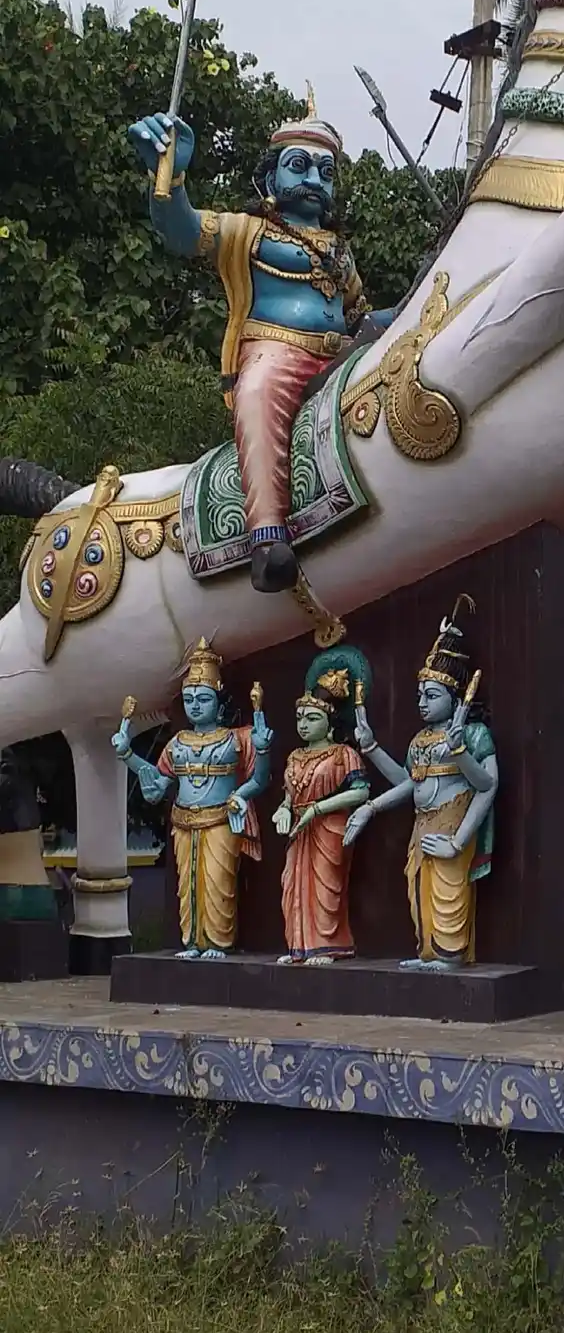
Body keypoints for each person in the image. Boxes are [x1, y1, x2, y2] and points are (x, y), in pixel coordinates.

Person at [128, 92, 384, 593]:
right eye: (299, 166)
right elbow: (182, 230)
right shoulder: (247, 232)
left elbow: (361, 314)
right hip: (275, 353)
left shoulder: (340, 251)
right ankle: (267, 535)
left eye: (326, 172)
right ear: (270, 179)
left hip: (340, 353)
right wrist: (170, 176)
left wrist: (427, 292)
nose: (314, 180)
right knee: (257, 392)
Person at [346, 601, 498, 967]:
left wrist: (458, 840)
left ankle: (450, 955)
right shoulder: (420, 740)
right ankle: (428, 951)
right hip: (423, 827)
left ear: (455, 698)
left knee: (448, 892)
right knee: (419, 892)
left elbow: (487, 785)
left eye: (432, 695)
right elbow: (409, 783)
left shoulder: (474, 734)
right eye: (420, 695)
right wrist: (371, 753)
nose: (422, 703)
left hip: (453, 828)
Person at [111, 639, 271, 957]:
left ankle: (219, 942)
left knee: (218, 882)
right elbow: (159, 781)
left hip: (221, 819)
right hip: (183, 821)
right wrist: (127, 754)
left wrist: (262, 750)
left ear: (219, 700)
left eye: (203, 698)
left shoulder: (237, 738)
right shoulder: (178, 742)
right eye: (188, 700)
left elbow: (259, 779)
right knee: (188, 884)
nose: (195, 705)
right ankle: (194, 942)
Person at [273, 647, 371, 964]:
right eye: (300, 718)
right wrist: (284, 808)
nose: (303, 725)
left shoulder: (343, 754)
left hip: (328, 828)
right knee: (292, 885)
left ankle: (327, 945)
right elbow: (290, 793)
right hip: (299, 829)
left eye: (312, 718)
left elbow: (361, 792)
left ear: (329, 724)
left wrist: (318, 809)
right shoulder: (295, 756)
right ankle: (299, 946)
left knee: (326, 887)